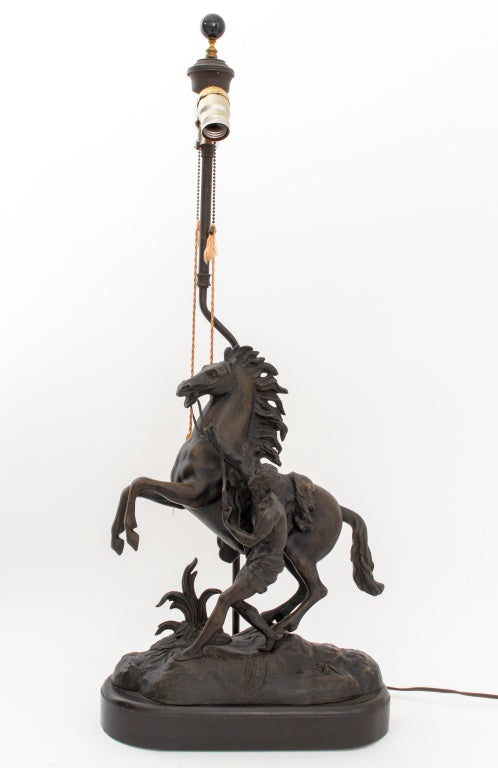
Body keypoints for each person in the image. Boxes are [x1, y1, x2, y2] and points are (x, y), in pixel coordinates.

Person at [175, 426, 288, 661]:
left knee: (224, 600)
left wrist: (228, 524)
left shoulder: (272, 511)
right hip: (256, 559)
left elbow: (252, 539)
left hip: (265, 565)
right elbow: (236, 461)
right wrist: (217, 442)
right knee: (236, 602)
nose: (251, 481)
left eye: (256, 480)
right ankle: (270, 634)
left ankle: (196, 649)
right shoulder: (258, 493)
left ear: (265, 486)